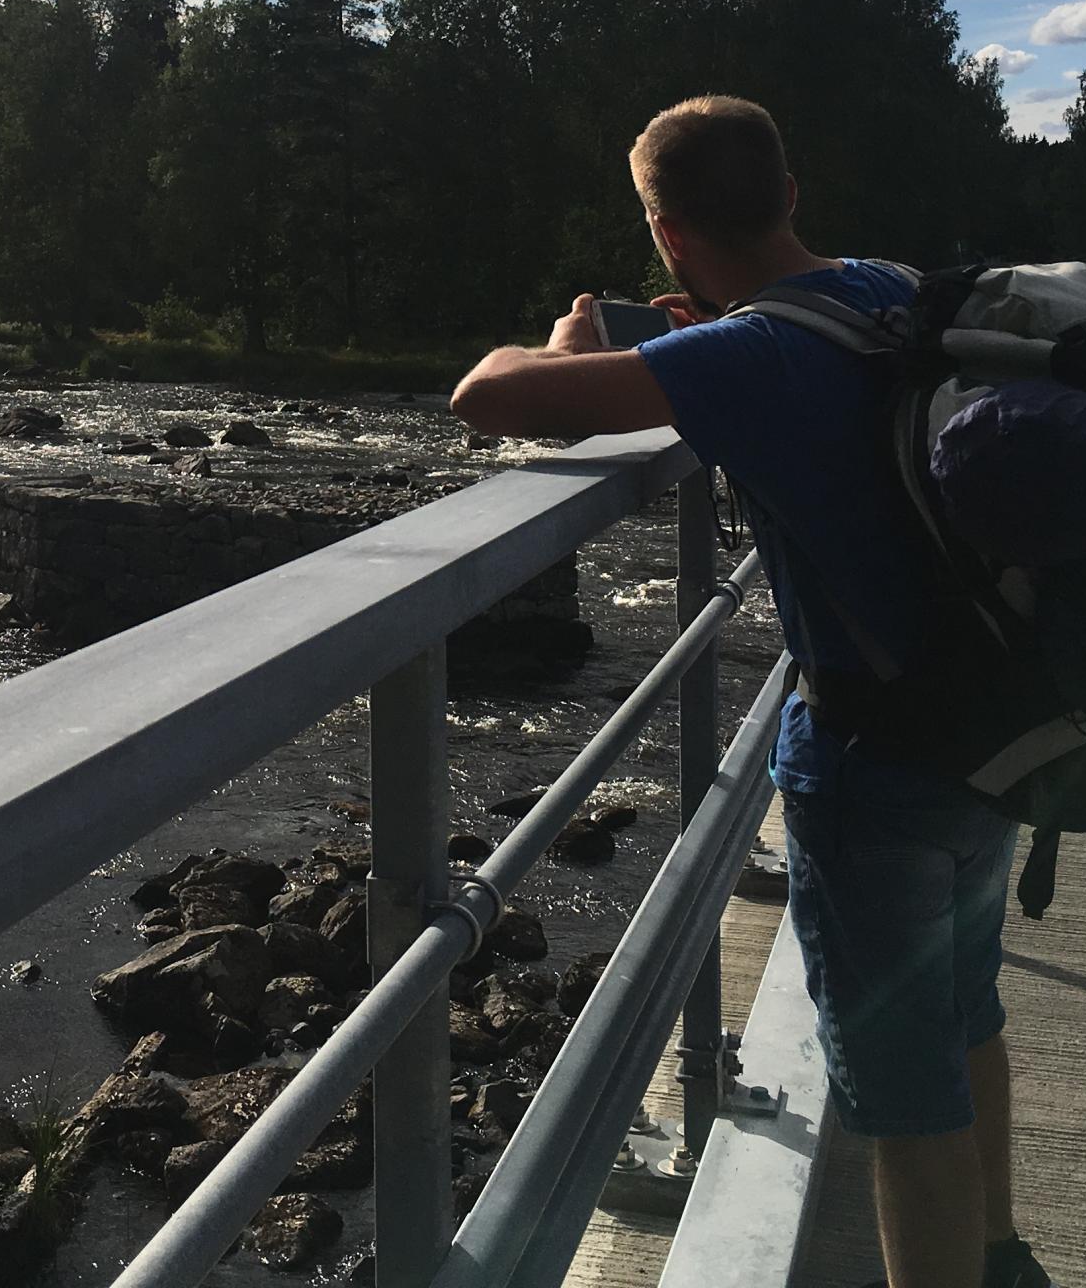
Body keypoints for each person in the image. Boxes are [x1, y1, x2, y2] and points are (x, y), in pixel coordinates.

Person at [447, 94, 1054, 1288]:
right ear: (789, 193)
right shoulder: (885, 286)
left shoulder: (748, 355)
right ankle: (1001, 1254)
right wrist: (706, 330)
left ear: (668, 233)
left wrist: (580, 349)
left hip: (872, 762)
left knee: (899, 1093)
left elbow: (487, 393)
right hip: (990, 722)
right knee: (966, 1012)